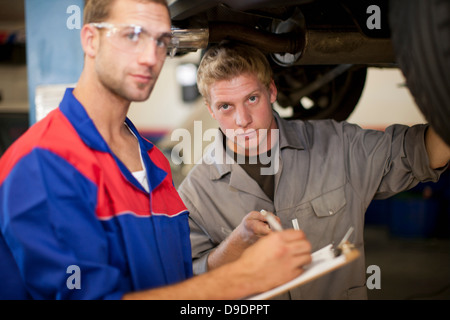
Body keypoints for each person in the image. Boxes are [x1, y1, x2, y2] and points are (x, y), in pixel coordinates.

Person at [0, 0, 312, 300]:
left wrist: (237, 245)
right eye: (133, 35)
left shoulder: (153, 162)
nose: (151, 57)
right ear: (91, 40)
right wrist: (242, 278)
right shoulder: (42, 162)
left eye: (161, 40)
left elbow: (174, 285)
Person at [177, 41, 450, 299]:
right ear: (210, 110)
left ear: (271, 91)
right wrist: (236, 243)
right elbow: (192, 281)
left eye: (252, 99)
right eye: (226, 106)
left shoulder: (337, 145)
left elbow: (421, 153)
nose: (242, 120)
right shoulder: (195, 194)